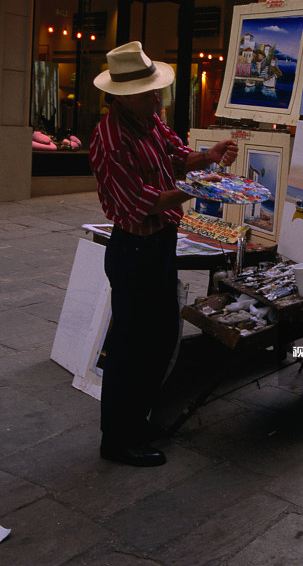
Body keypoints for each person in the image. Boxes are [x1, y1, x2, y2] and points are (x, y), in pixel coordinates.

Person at [90, 41, 238, 467]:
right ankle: (117, 439)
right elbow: (143, 200)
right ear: (124, 96)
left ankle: (137, 421)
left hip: (159, 244)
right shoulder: (110, 138)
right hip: (134, 248)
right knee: (130, 346)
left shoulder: (149, 120)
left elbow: (176, 157)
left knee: (158, 338)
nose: (159, 97)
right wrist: (199, 189)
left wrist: (206, 158)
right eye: (150, 91)